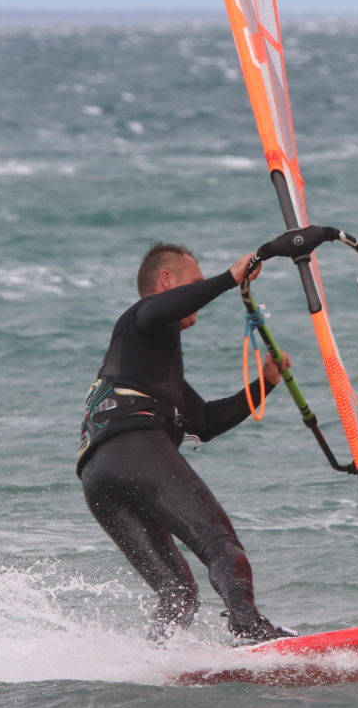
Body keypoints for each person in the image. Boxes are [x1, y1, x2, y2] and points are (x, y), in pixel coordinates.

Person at [76, 241, 293, 643]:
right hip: (133, 448)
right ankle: (249, 624)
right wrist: (229, 279)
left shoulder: (145, 369)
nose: (197, 295)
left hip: (98, 476)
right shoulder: (141, 316)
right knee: (220, 543)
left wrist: (265, 383)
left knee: (178, 591)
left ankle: (158, 657)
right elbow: (159, 309)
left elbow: (204, 422)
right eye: (193, 282)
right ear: (166, 280)